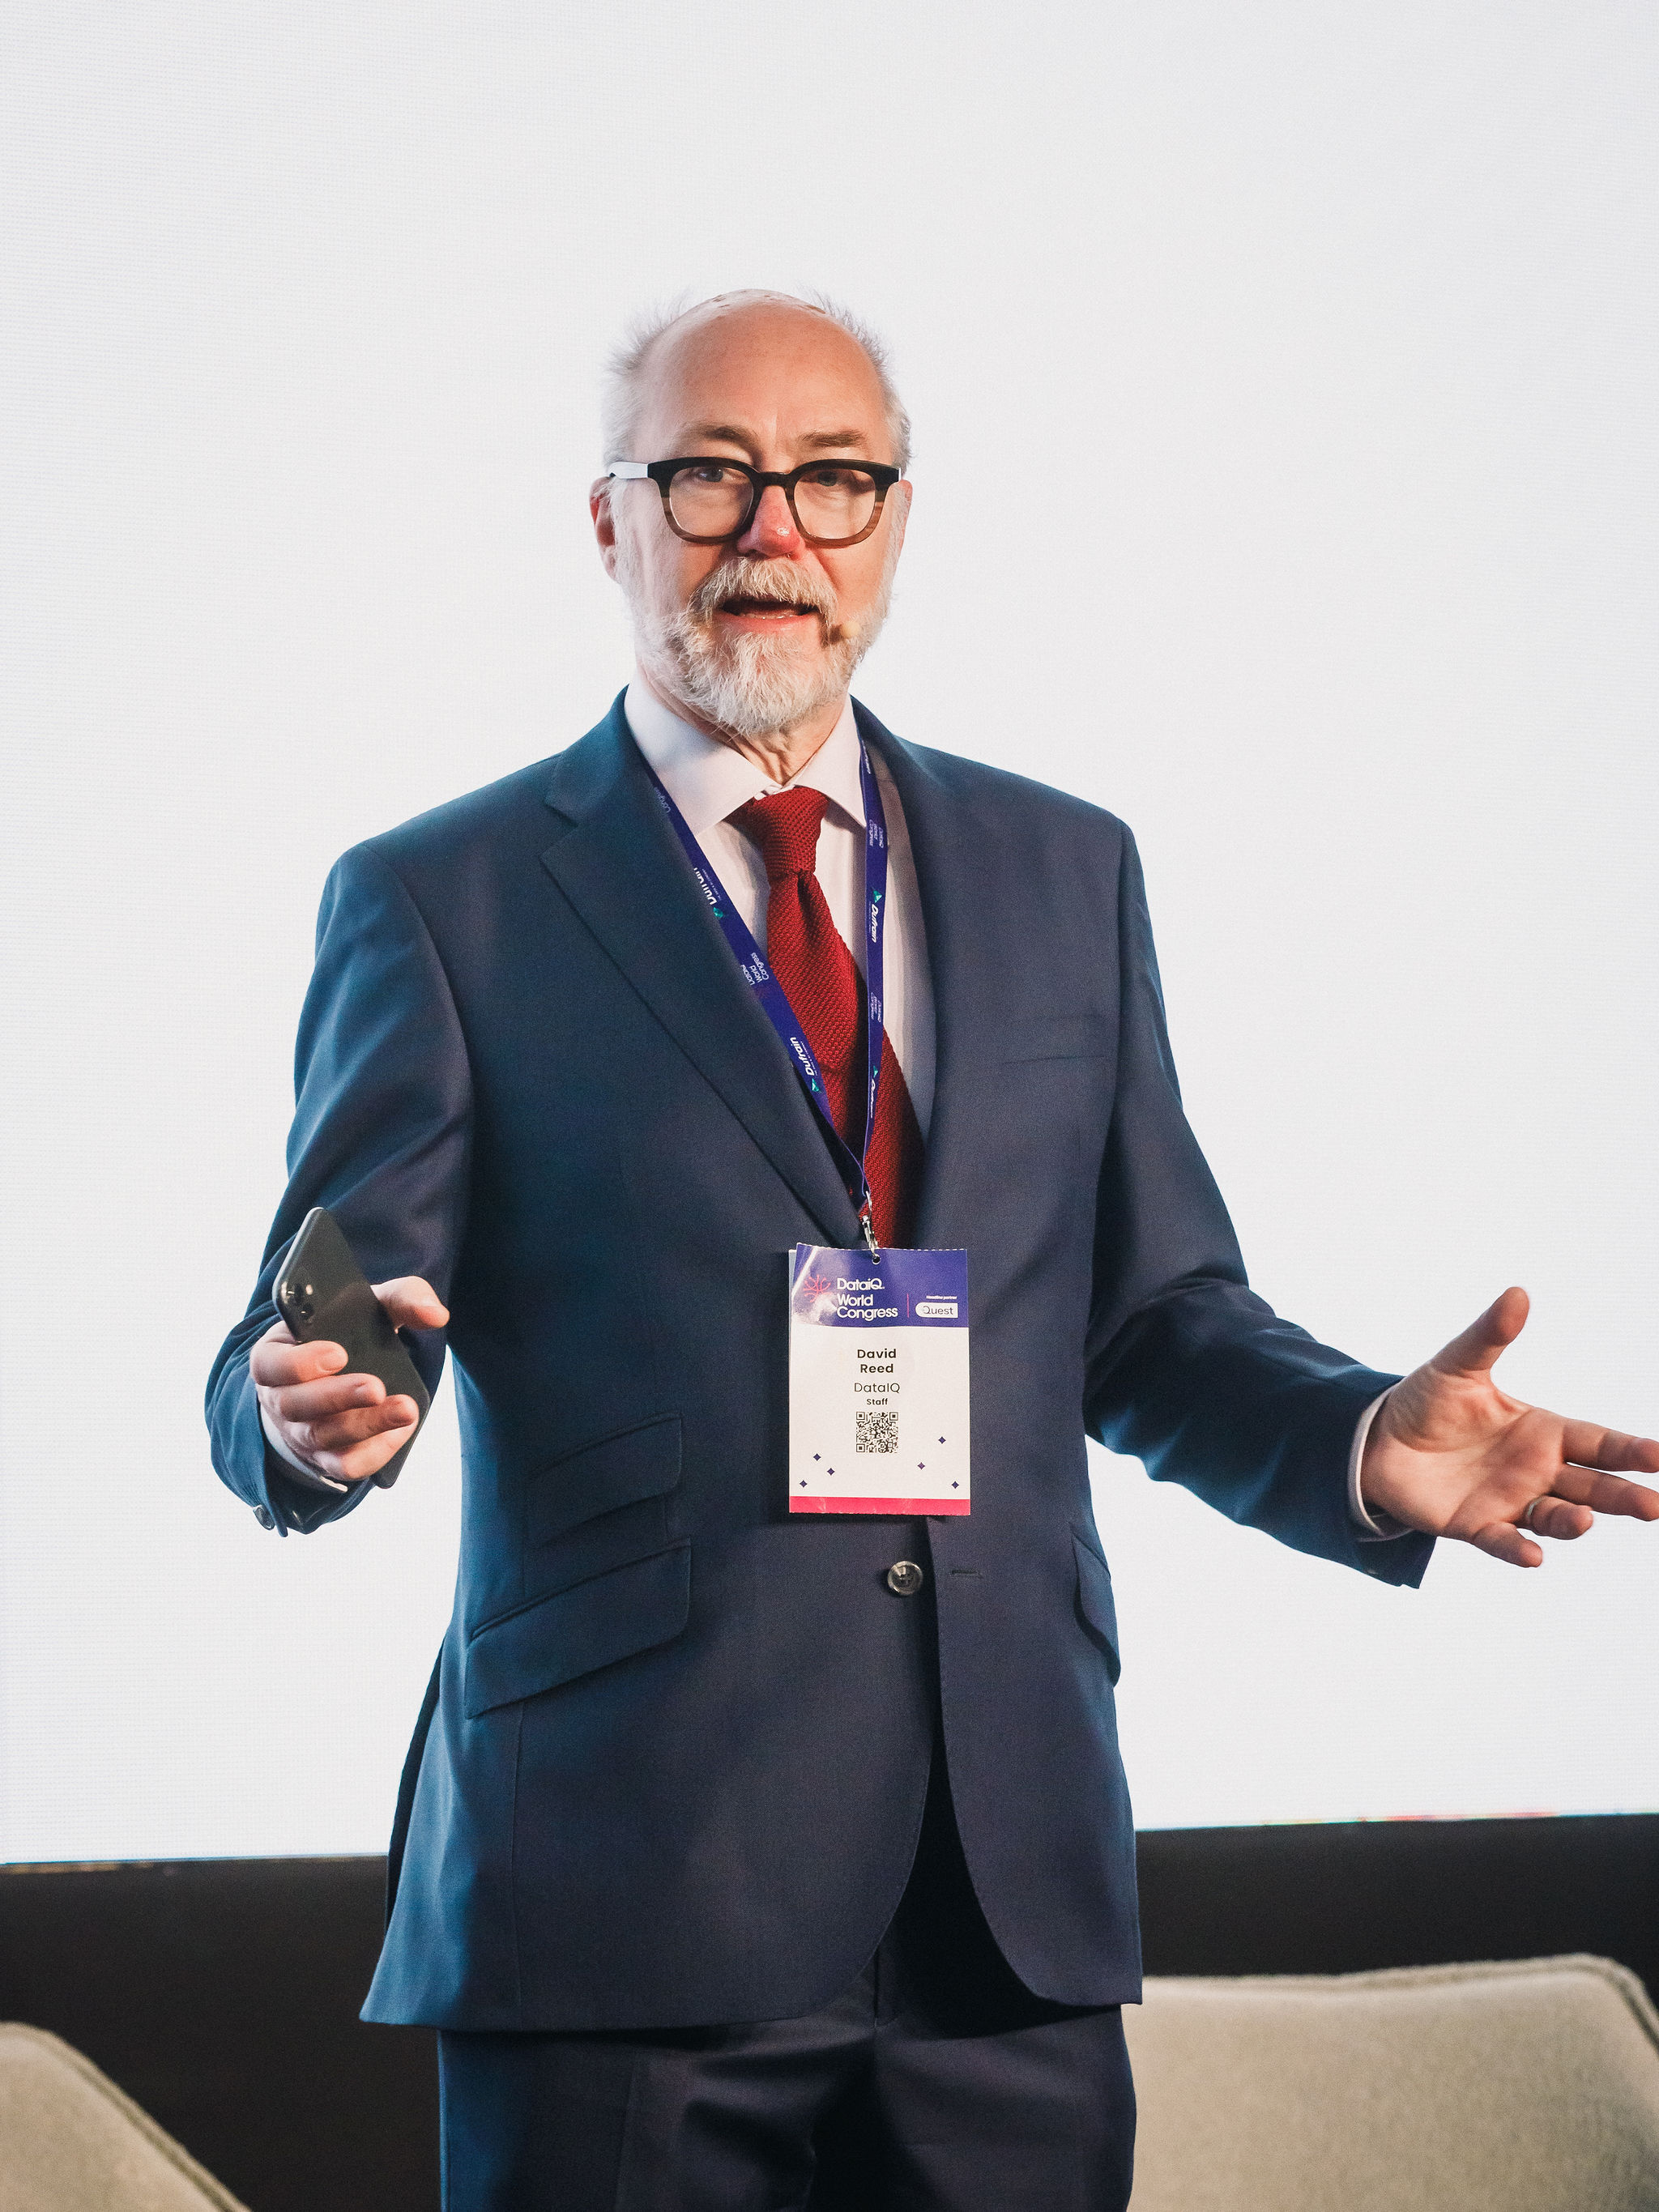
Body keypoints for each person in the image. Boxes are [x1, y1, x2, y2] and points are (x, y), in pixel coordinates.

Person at [207, 290, 1659, 2212]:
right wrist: (302, 1416)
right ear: (609, 519)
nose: (772, 531)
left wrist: (1354, 1438)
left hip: (1001, 1892)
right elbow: (308, 1321)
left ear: (895, 520)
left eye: (832, 478)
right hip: (625, 1888)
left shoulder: (1065, 867)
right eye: (709, 475)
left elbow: (1149, 1316)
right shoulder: (442, 897)